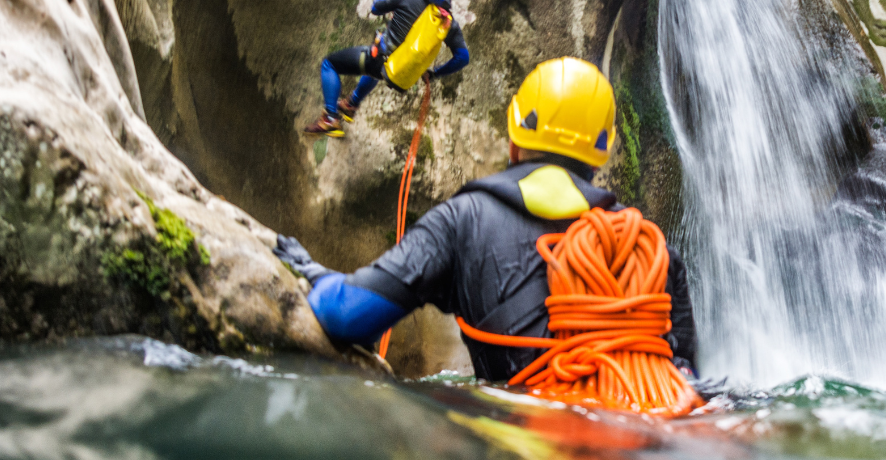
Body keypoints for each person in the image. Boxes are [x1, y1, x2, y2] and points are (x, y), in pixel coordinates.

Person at [277, 57, 697, 380]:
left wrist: (314, 272)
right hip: (644, 451)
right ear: (601, 153)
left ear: (515, 137)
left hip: (523, 452)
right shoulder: (651, 247)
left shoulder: (463, 221)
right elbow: (686, 375)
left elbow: (347, 315)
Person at [303, 0, 471, 137]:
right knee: (375, 71)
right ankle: (351, 104)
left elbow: (376, 7)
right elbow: (463, 58)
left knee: (329, 64)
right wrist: (434, 74)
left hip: (377, 58)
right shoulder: (447, 23)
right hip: (393, 69)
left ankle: (330, 118)